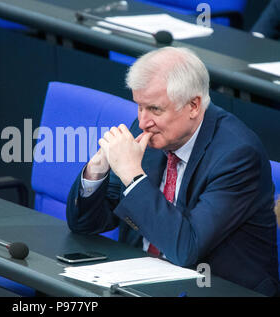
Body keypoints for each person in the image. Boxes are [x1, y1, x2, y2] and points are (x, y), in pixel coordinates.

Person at [66, 47, 279, 296]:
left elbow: (186, 248)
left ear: (193, 106)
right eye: (139, 107)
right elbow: (85, 223)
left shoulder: (238, 155)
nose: (143, 121)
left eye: (155, 109)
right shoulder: (151, 132)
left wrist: (133, 177)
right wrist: (97, 170)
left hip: (216, 288)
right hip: (140, 281)